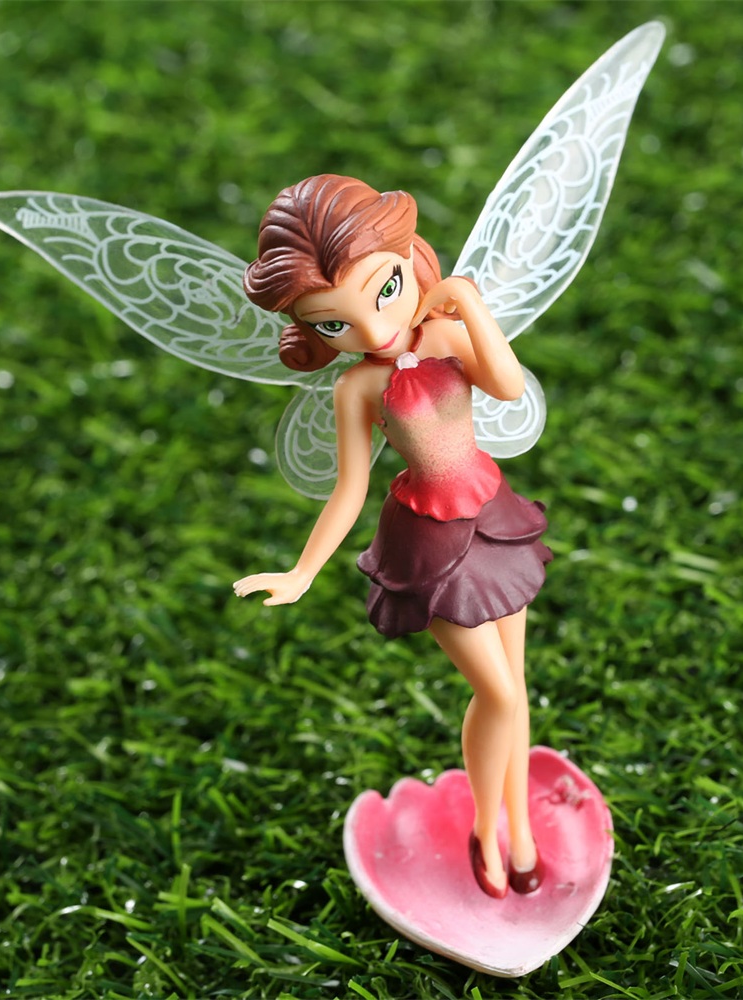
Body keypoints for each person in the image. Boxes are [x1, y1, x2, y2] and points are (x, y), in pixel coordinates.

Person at [233, 174, 551, 898]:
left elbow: (507, 385)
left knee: (517, 684)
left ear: (409, 259)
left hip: (492, 515)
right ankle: (485, 830)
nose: (373, 332)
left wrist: (467, 301)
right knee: (497, 694)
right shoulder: (358, 388)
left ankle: (523, 831)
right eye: (332, 324)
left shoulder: (447, 336)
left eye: (384, 290)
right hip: (429, 543)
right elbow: (349, 489)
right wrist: (302, 571)